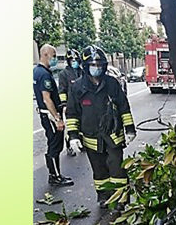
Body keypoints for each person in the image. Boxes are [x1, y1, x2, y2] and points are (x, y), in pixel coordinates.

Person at [66, 45, 136, 209]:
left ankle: (122, 200)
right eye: (93, 65)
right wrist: (73, 136)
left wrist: (130, 128)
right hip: (91, 138)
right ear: (85, 66)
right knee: (99, 171)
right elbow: (72, 113)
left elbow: (124, 107)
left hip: (113, 136)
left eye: (99, 65)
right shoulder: (77, 87)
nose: (96, 68)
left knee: (117, 169)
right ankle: (104, 196)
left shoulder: (112, 84)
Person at [33, 44, 74, 187]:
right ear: (45, 54)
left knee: (53, 143)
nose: (55, 58)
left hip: (46, 114)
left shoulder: (37, 71)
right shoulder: (44, 74)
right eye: (54, 55)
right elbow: (46, 98)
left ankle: (54, 174)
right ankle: (55, 176)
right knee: (55, 145)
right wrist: (57, 118)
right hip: (50, 116)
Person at [58, 48, 83, 156]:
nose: (74, 62)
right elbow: (62, 90)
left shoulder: (82, 71)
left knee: (82, 125)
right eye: (72, 60)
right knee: (70, 127)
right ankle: (69, 147)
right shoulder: (64, 74)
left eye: (76, 60)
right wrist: (64, 104)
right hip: (70, 105)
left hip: (82, 104)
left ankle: (82, 143)